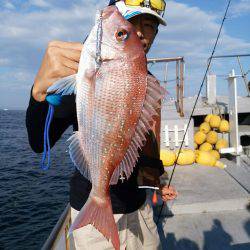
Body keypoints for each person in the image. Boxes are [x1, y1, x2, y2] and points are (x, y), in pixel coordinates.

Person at [26, 0, 177, 249]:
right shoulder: (85, 73)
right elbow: (37, 142)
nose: (140, 31)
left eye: (149, 25)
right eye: (128, 25)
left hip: (140, 206)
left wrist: (156, 184)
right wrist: (39, 93)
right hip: (92, 206)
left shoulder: (148, 84)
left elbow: (144, 144)